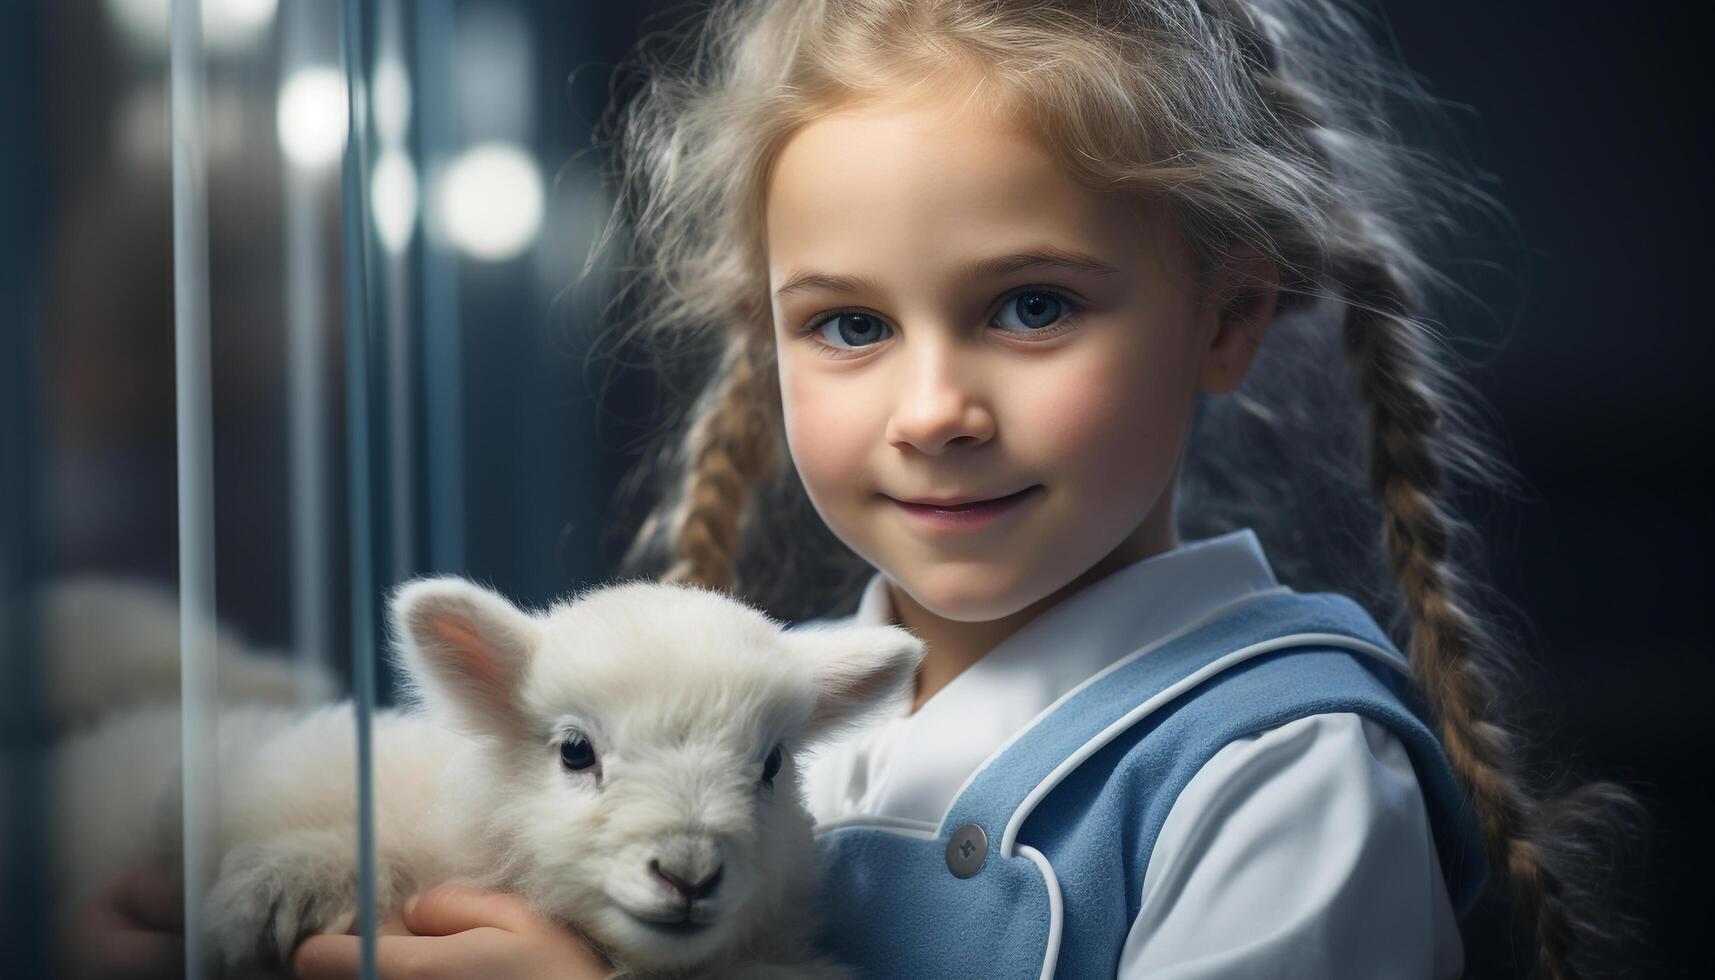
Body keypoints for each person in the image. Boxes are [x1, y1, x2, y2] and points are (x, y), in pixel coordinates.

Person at [296, 0, 1647, 977]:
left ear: (1228, 315)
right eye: (848, 325)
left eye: (1032, 305)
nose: (935, 410)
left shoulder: (1281, 779)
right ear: (760, 340)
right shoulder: (771, 730)